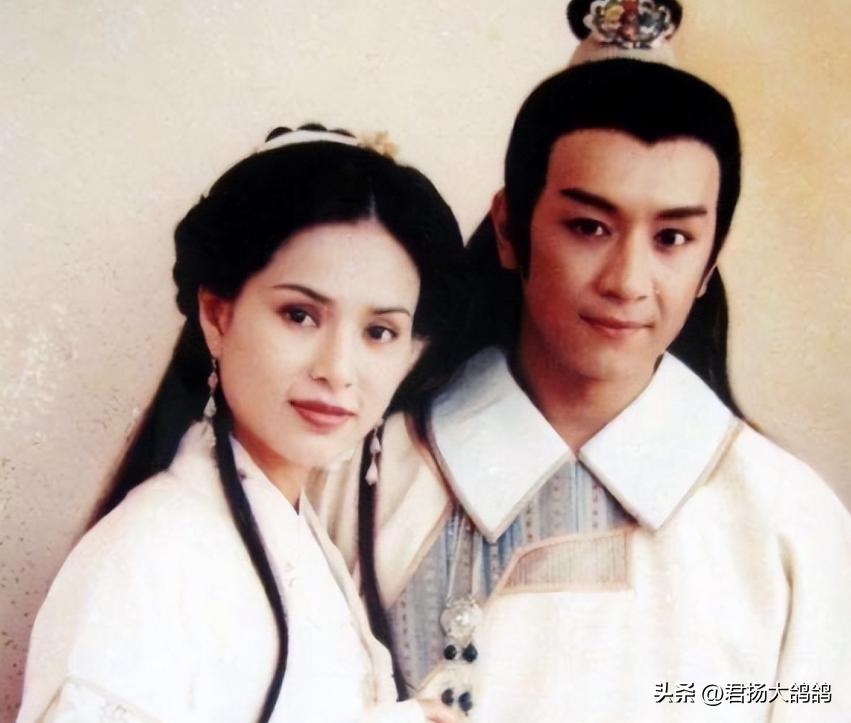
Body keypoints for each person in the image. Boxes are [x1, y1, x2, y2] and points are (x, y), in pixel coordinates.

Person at [311, 2, 851, 721]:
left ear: (711, 258)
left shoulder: (786, 522)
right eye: (589, 226)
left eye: (672, 238)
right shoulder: (360, 475)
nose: (628, 281)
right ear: (510, 228)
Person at [16, 125, 466, 723]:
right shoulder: (148, 556)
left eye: (379, 332)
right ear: (217, 315)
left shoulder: (304, 544)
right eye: (300, 315)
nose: (338, 370)